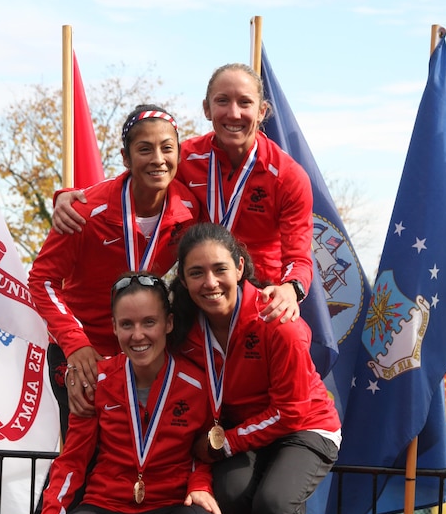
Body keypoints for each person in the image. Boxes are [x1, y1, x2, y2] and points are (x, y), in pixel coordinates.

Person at [29, 104, 201, 514]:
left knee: (146, 466)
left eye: (167, 148)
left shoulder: (190, 211)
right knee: (80, 468)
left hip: (149, 358)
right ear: (124, 157)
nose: (157, 158)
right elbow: (42, 281)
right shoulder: (88, 208)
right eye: (144, 148)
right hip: (84, 359)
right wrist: (77, 344)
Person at [170, 223, 341, 514]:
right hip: (242, 432)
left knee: (274, 504)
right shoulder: (185, 331)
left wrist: (225, 442)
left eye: (219, 269)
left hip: (304, 427)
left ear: (240, 267)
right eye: (195, 273)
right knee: (227, 495)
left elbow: (291, 410)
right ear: (183, 278)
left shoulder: (277, 320)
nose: (209, 282)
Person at [34, 271, 226, 514]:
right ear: (114, 327)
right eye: (127, 324)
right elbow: (72, 462)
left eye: (149, 322)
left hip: (168, 511)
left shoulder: (198, 385)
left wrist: (200, 486)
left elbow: (203, 455)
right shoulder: (98, 383)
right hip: (107, 509)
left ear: (168, 323)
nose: (138, 335)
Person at [52, 63, 313, 325]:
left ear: (262, 111)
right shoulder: (184, 158)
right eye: (222, 101)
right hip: (196, 296)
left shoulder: (288, 176)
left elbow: (298, 256)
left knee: (291, 339)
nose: (234, 113)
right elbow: (133, 180)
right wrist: (72, 194)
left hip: (259, 301)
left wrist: (292, 289)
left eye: (245, 103)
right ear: (207, 109)